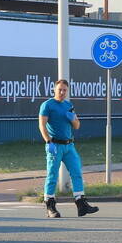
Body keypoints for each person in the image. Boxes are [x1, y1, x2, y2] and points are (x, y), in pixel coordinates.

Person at [39, 79, 98, 218]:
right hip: (55, 145)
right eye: (60, 89)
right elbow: (41, 125)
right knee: (52, 175)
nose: (62, 92)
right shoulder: (47, 105)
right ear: (54, 89)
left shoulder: (68, 105)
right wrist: (48, 142)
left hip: (69, 146)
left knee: (77, 172)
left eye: (65, 90)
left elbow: (77, 126)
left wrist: (72, 118)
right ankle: (50, 205)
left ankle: (81, 204)